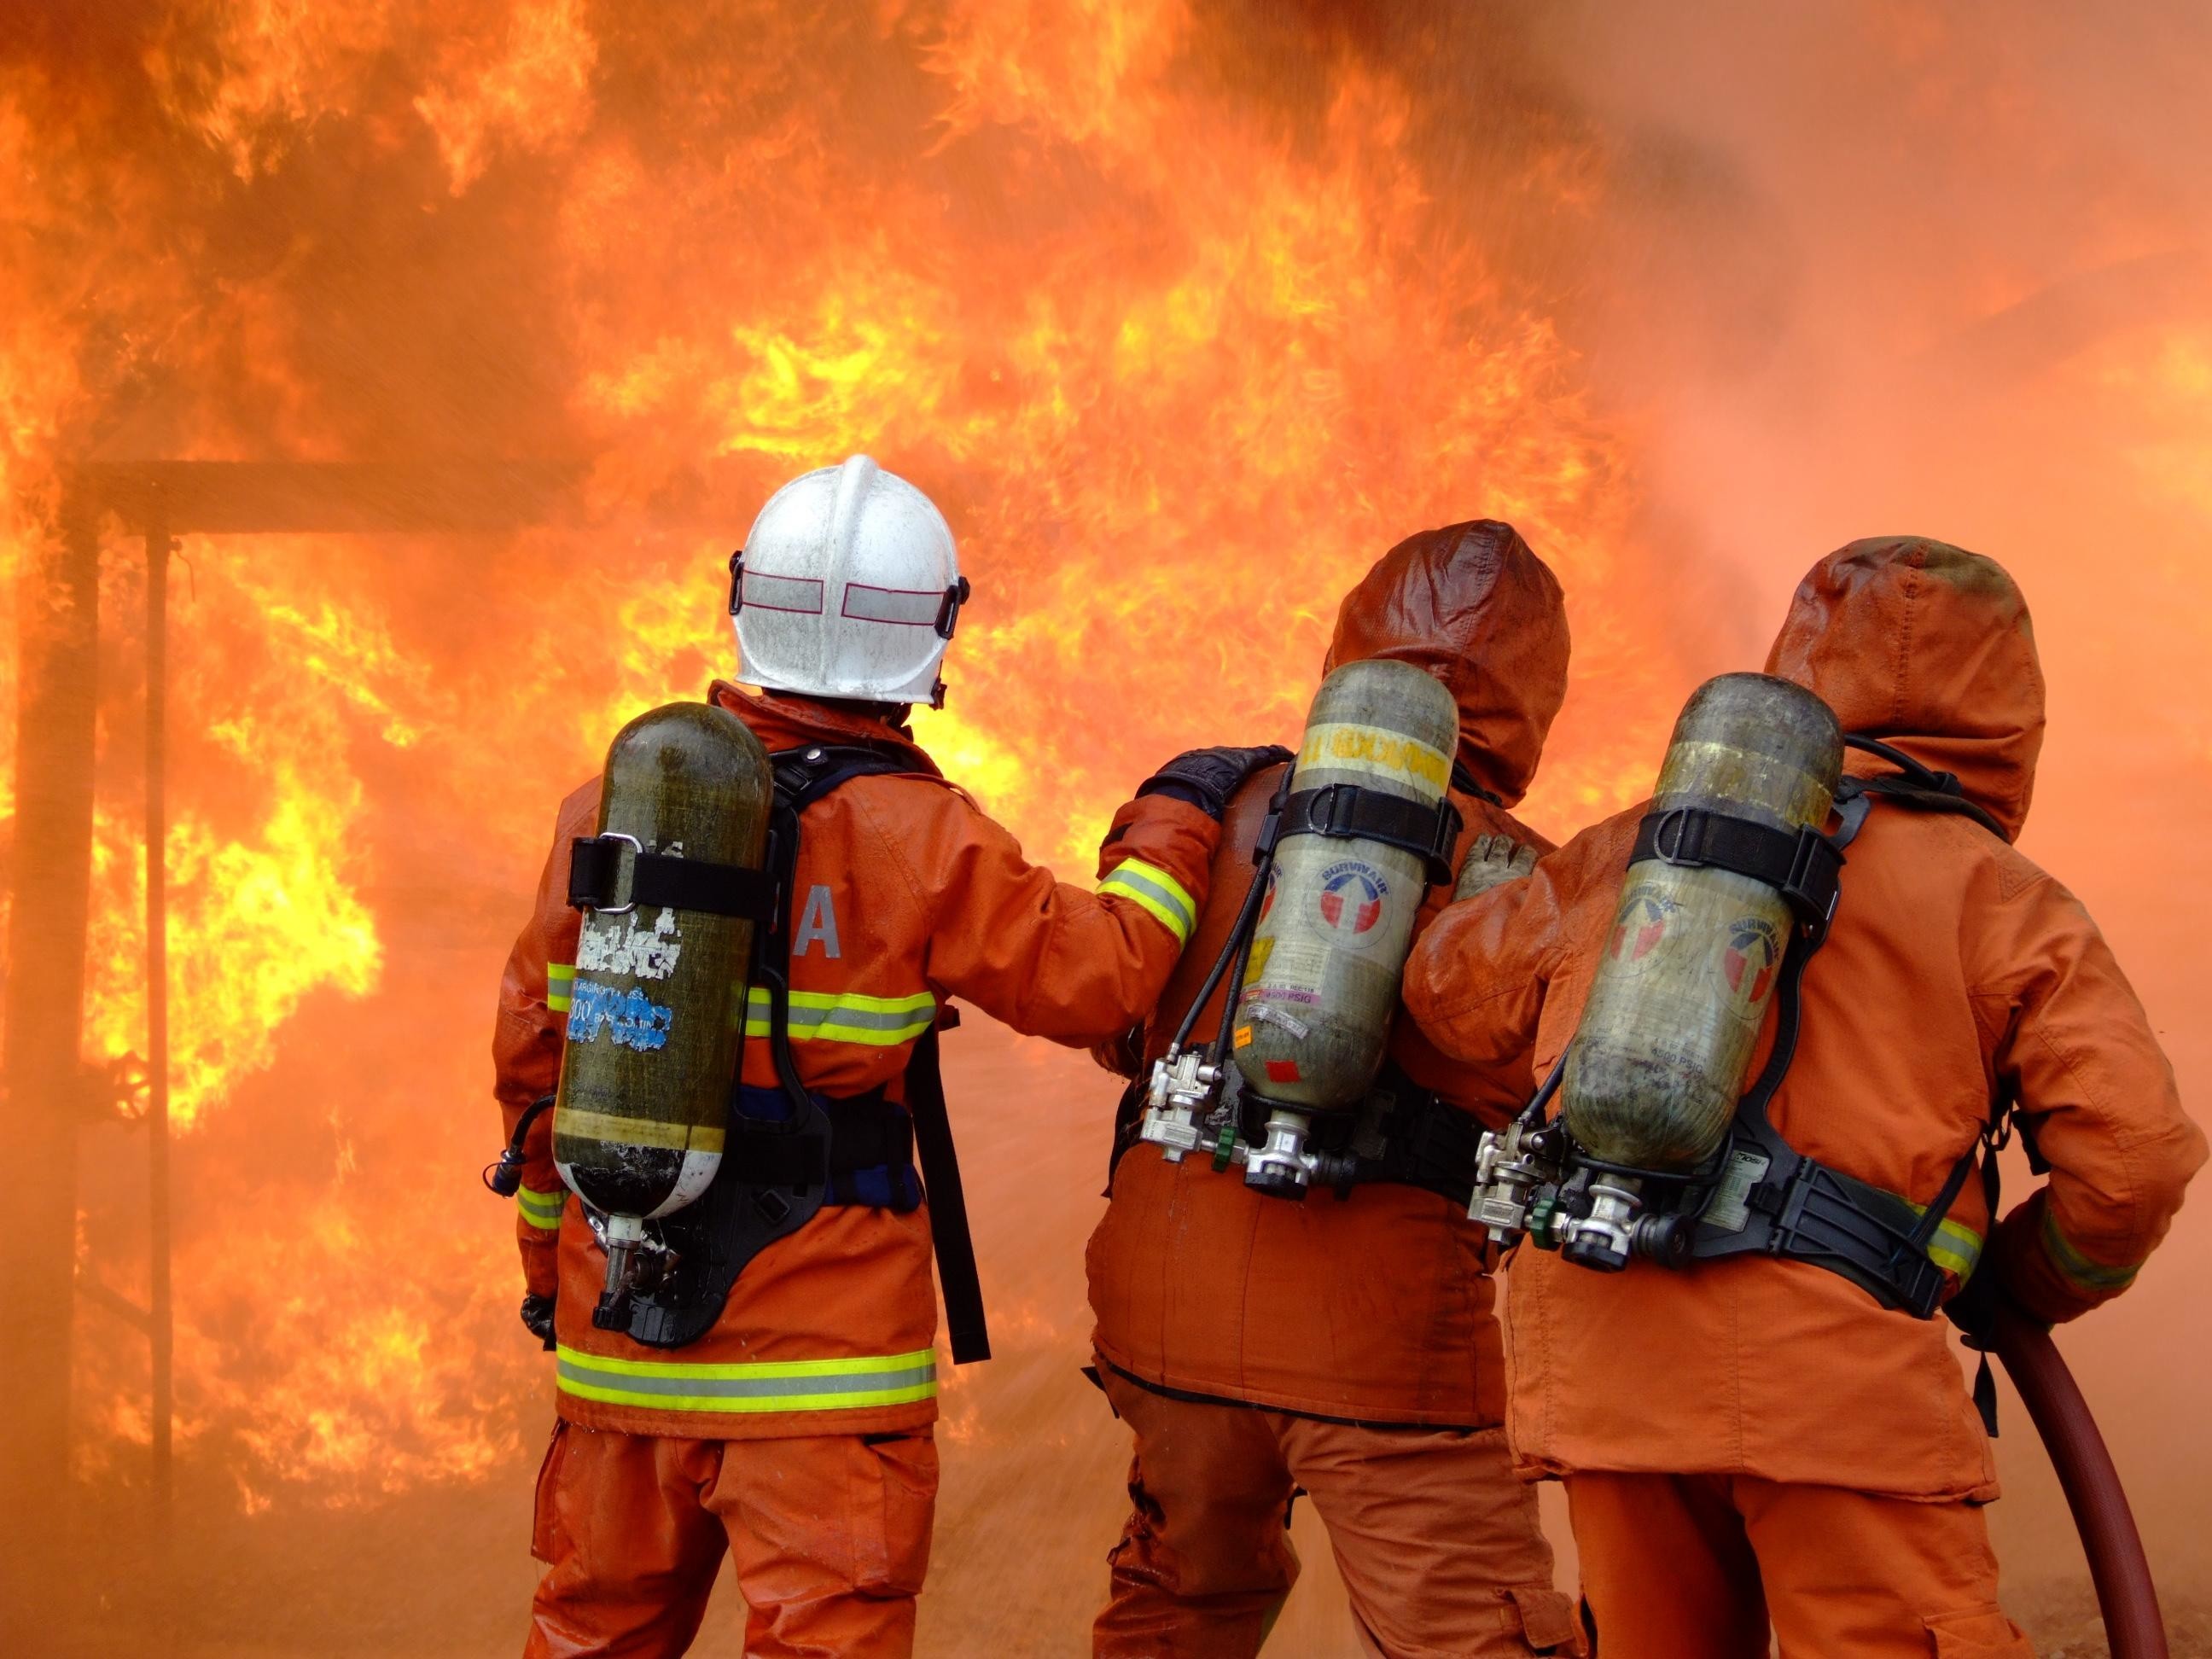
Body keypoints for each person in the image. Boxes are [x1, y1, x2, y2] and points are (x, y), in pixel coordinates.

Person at [493, 455, 1278, 1659]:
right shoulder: (921, 834)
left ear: (750, 602)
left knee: (592, 1635)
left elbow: (535, 1063)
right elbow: (1105, 978)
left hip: (622, 1344)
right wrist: (1180, 819)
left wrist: (554, 1271)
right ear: (929, 634)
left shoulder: (605, 806)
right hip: (820, 1377)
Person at [1403, 536, 2204, 1657]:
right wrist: (2022, 1283)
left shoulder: (1636, 846)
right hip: (1840, 1402)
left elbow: (1449, 995)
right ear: (2009, 716)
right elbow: (2135, 1160)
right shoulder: (2000, 897)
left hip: (1608, 1375)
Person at [1086, 520, 1586, 1658]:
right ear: (1530, 703)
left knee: (1177, 1605)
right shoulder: (1525, 875)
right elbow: (1552, 1102)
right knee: (1479, 1634)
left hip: (1161, 1329)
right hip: (1383, 1356)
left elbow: (1116, 1021)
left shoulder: (1207, 802)